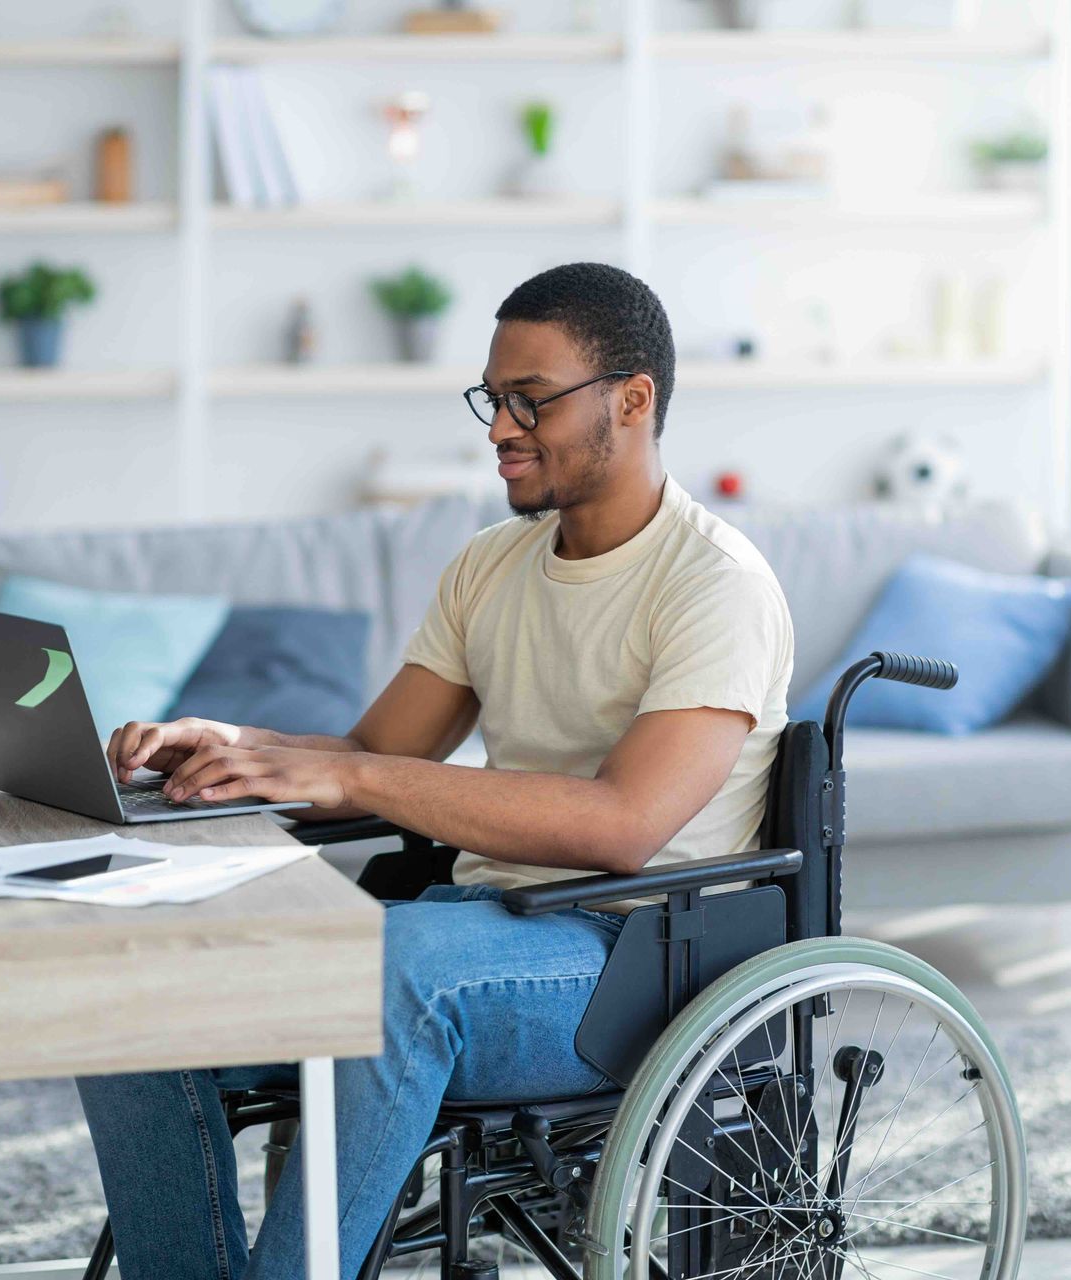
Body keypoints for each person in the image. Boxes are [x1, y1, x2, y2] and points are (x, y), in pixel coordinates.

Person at [76, 262, 795, 1280]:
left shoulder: (715, 584)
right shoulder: (489, 566)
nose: (499, 427)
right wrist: (235, 744)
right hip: (484, 928)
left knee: (392, 962)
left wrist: (357, 782)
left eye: (529, 399)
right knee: (133, 997)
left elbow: (622, 823)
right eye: (492, 400)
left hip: (633, 957)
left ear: (633, 400)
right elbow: (378, 754)